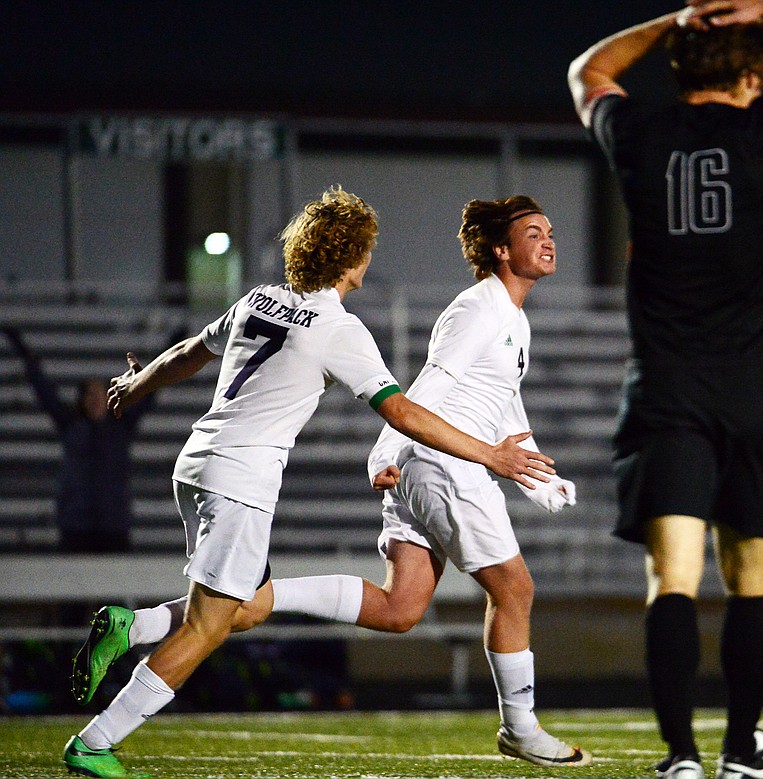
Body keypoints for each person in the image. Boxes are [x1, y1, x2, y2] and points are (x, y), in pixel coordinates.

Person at [68, 195, 592, 769]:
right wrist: (488, 457)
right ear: (351, 258)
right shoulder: (341, 329)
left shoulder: (259, 300)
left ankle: (133, 624)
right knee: (208, 625)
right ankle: (96, 742)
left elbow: (191, 351)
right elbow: (406, 410)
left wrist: (135, 384)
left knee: (312, 606)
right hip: (245, 477)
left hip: (196, 465)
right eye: (366, 250)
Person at [568, 2, 763, 778]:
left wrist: (671, 21)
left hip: (665, 389)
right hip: (752, 388)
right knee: (753, 581)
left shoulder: (638, 134)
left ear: (682, 68)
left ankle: (679, 756)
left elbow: (588, 71)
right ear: (753, 74)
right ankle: (743, 752)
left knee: (671, 579)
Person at [2, 325, 177, 552]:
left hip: (114, 522)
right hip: (76, 523)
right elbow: (43, 389)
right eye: (90, 395)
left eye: (100, 394)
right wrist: (23, 351)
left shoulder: (121, 424)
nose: (95, 400)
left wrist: (171, 347)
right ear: (82, 400)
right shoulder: (70, 424)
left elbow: (150, 389)